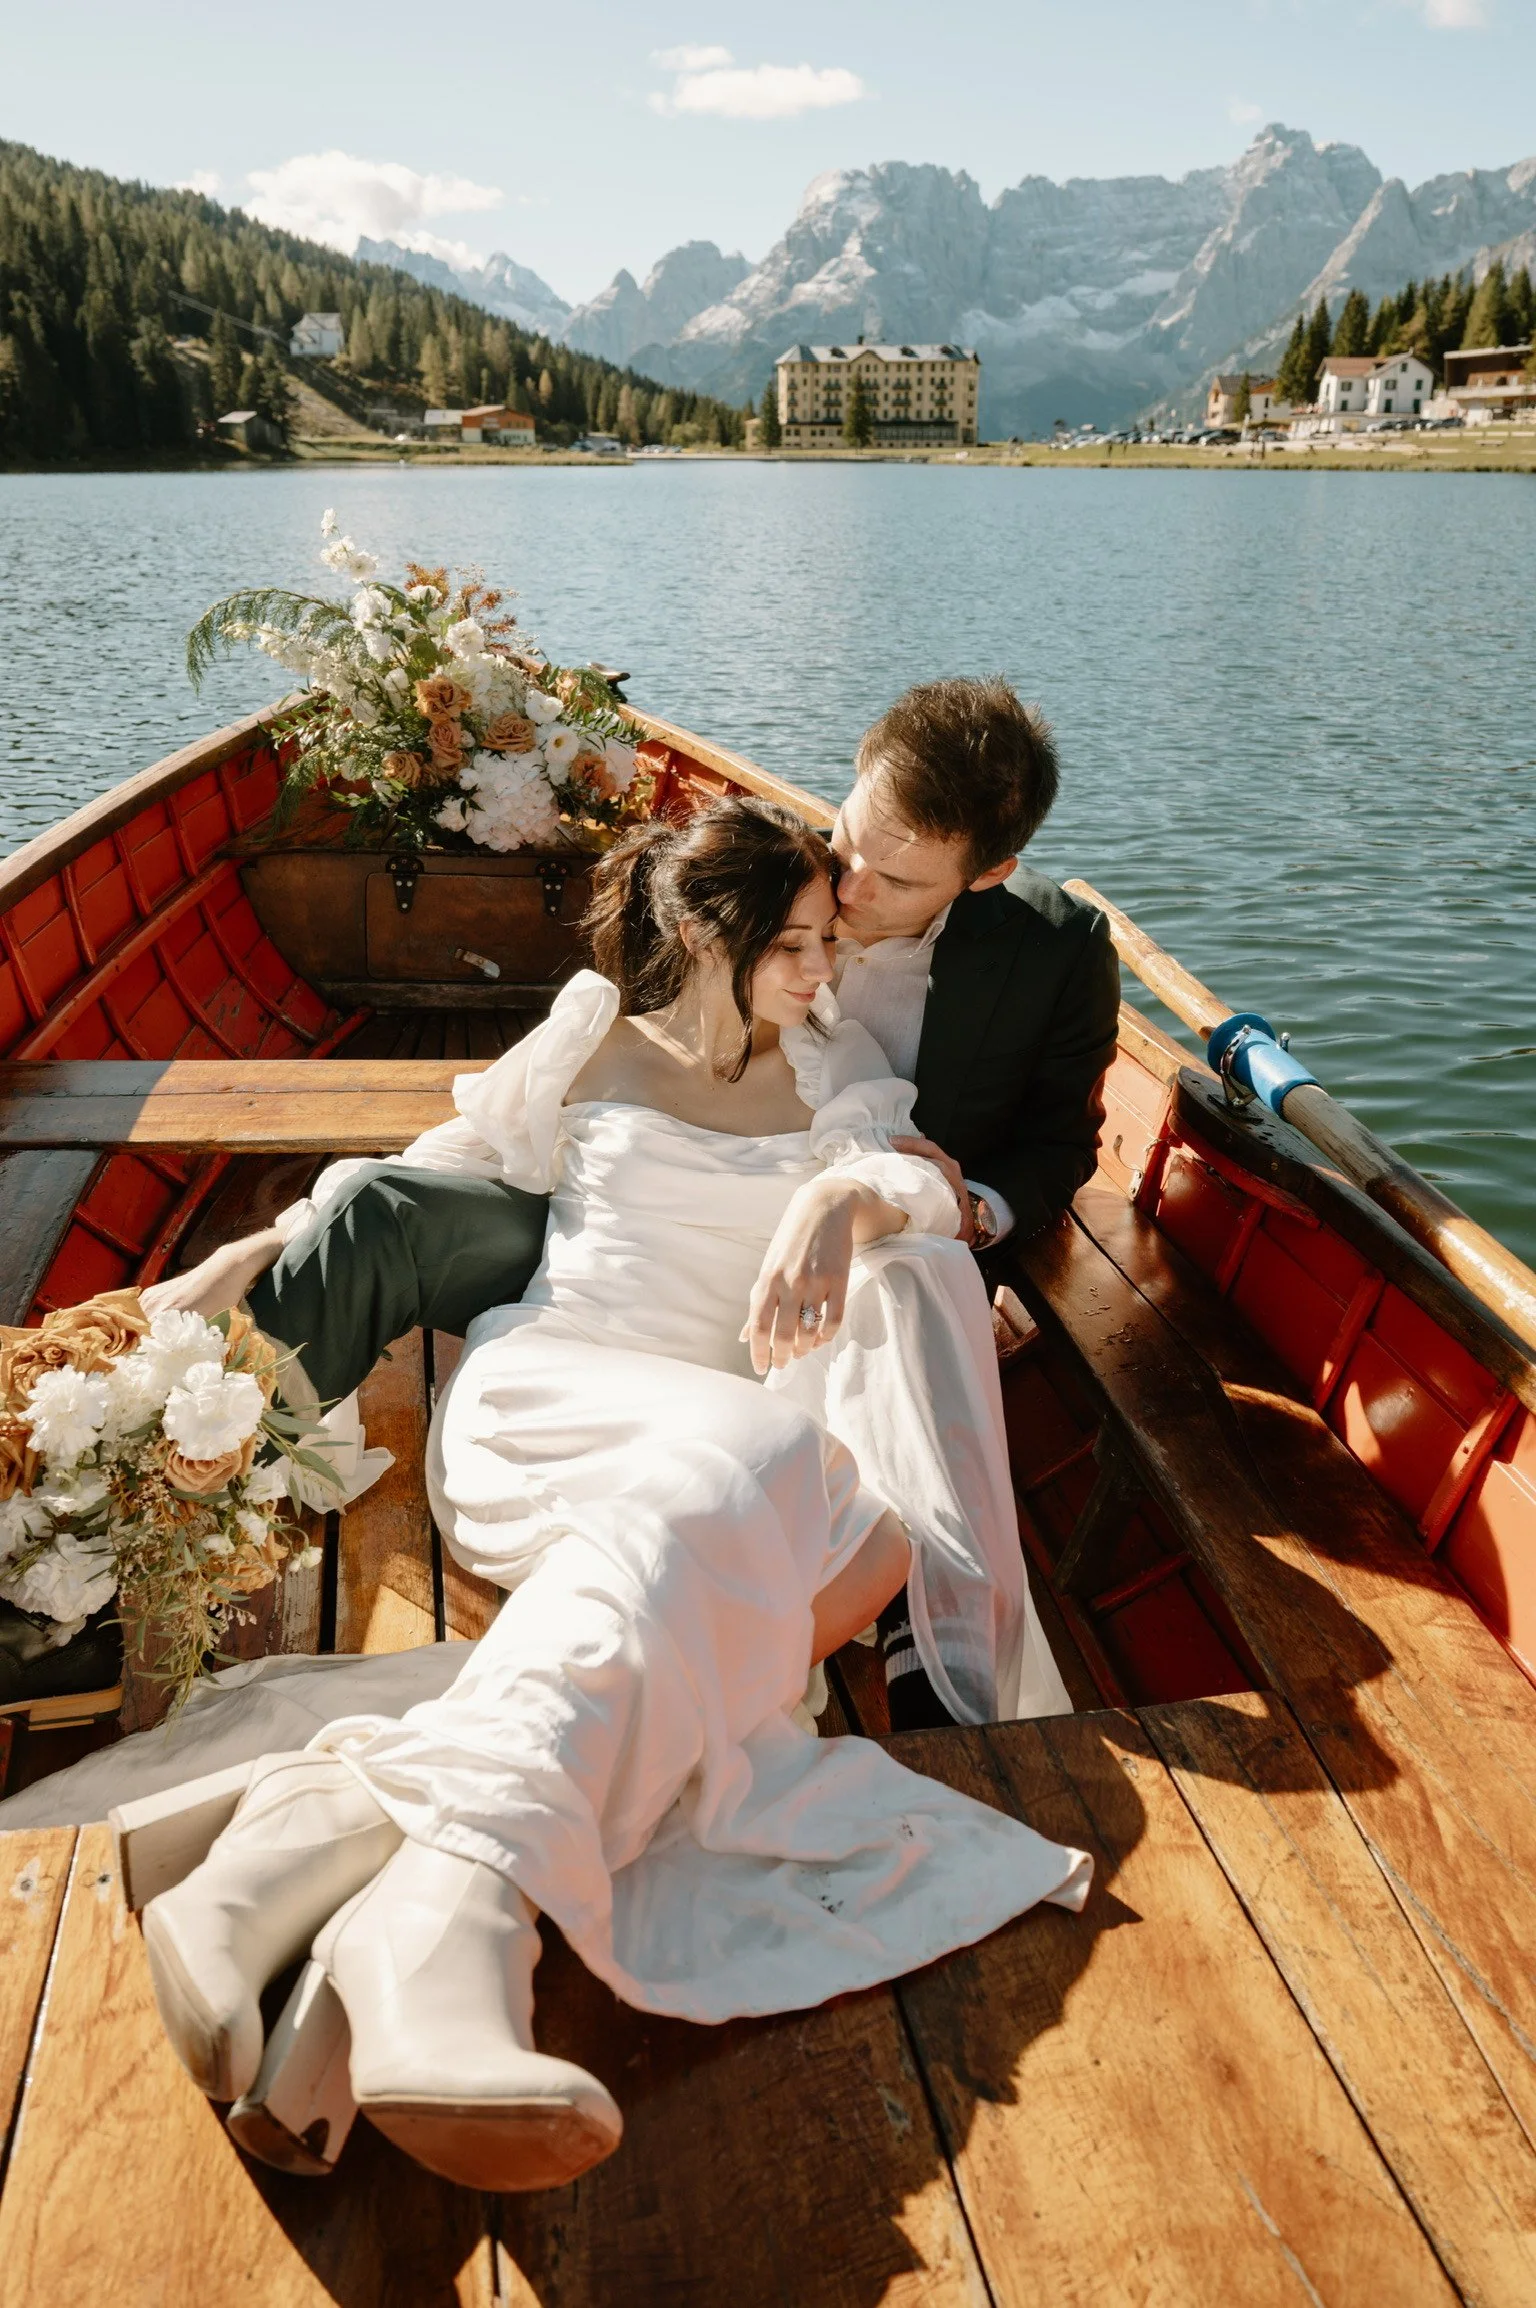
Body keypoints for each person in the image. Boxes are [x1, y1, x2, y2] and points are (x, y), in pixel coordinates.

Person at [140, 797, 1088, 2195]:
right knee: (771, 1473)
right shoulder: (589, 1036)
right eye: (798, 949)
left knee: (871, 1541)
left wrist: (844, 1202)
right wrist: (266, 1243)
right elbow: (446, 1167)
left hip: (709, 1482)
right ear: (708, 940)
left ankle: (316, 1851)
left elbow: (930, 1192)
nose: (825, 976)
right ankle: (443, 1928)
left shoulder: (840, 1066)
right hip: (553, 1401)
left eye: (833, 945)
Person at [147, 676, 1119, 1726]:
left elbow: (1034, 1149)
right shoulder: (744, 903)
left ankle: (936, 1645)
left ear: (987, 874)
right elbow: (465, 1143)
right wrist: (269, 1233)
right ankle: (184, 1491)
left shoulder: (1023, 968)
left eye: (885, 881)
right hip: (598, 1293)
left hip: (813, 1294)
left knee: (916, 1271)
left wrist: (916, 1213)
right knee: (377, 1203)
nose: (839, 893)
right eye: (842, 845)